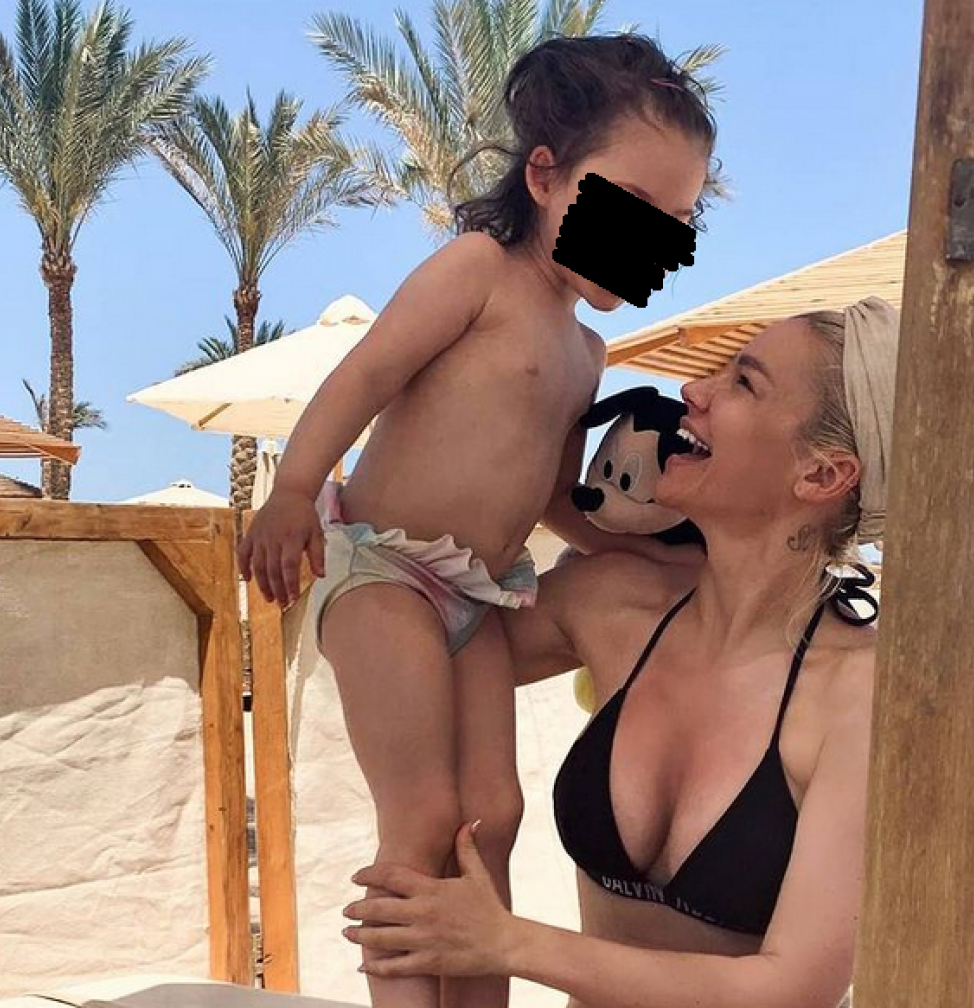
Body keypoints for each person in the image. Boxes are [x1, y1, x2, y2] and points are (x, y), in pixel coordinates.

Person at [238, 33, 717, 1008]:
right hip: (383, 571)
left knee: (494, 815)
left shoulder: (587, 353)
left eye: (678, 220)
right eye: (634, 205)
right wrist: (292, 491)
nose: (657, 237)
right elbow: (363, 376)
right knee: (421, 816)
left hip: (479, 595)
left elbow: (552, 496)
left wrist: (662, 558)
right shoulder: (475, 272)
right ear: (544, 176)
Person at [340, 297, 899, 1008]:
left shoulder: (860, 693)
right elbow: (423, 638)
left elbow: (791, 987)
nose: (693, 392)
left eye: (744, 383)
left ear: (822, 476)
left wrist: (507, 943)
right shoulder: (610, 603)